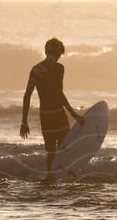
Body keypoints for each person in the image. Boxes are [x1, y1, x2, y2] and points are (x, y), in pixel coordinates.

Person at [20, 38, 84, 181]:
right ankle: (50, 177)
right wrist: (24, 121)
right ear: (48, 53)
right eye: (55, 55)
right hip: (46, 117)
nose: (56, 58)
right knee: (51, 151)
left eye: (59, 56)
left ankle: (68, 174)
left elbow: (59, 93)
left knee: (66, 147)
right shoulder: (36, 71)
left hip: (59, 115)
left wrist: (74, 114)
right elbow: (27, 96)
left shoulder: (60, 69)